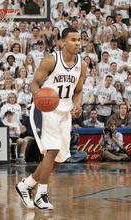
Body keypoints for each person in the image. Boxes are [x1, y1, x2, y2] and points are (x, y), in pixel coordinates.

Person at [15, 28, 87, 210]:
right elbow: (34, 84)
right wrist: (40, 97)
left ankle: (26, 185)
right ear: (63, 42)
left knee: (59, 158)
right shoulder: (51, 60)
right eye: (73, 40)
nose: (77, 43)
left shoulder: (82, 64)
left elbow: (78, 92)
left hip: (64, 111)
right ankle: (41, 194)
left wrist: (77, 105)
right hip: (45, 109)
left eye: (79, 40)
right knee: (52, 150)